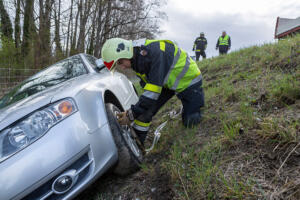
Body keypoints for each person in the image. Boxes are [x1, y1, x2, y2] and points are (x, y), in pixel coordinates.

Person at [101, 38, 205, 144]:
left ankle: (190, 107)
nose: (122, 67)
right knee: (144, 112)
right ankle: (138, 144)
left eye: (120, 62)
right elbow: (147, 94)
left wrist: (131, 114)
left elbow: (152, 93)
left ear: (126, 52)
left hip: (189, 82)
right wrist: (136, 112)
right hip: (166, 84)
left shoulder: (156, 52)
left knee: (191, 121)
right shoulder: (138, 60)